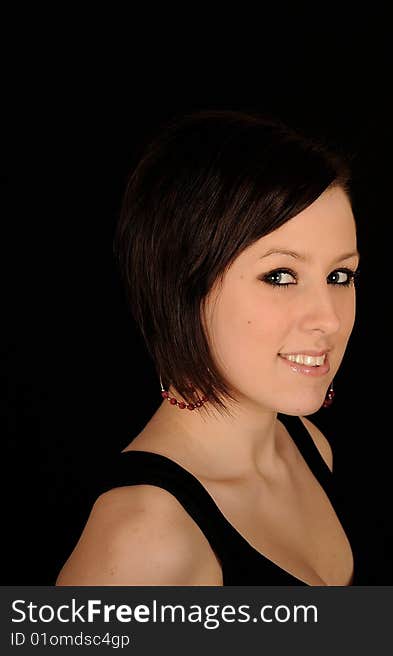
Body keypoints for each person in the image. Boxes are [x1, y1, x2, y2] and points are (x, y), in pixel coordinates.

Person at [55, 109, 359, 585]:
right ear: (184, 286)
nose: (330, 318)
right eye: (280, 276)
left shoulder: (307, 445)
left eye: (340, 276)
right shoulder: (145, 541)